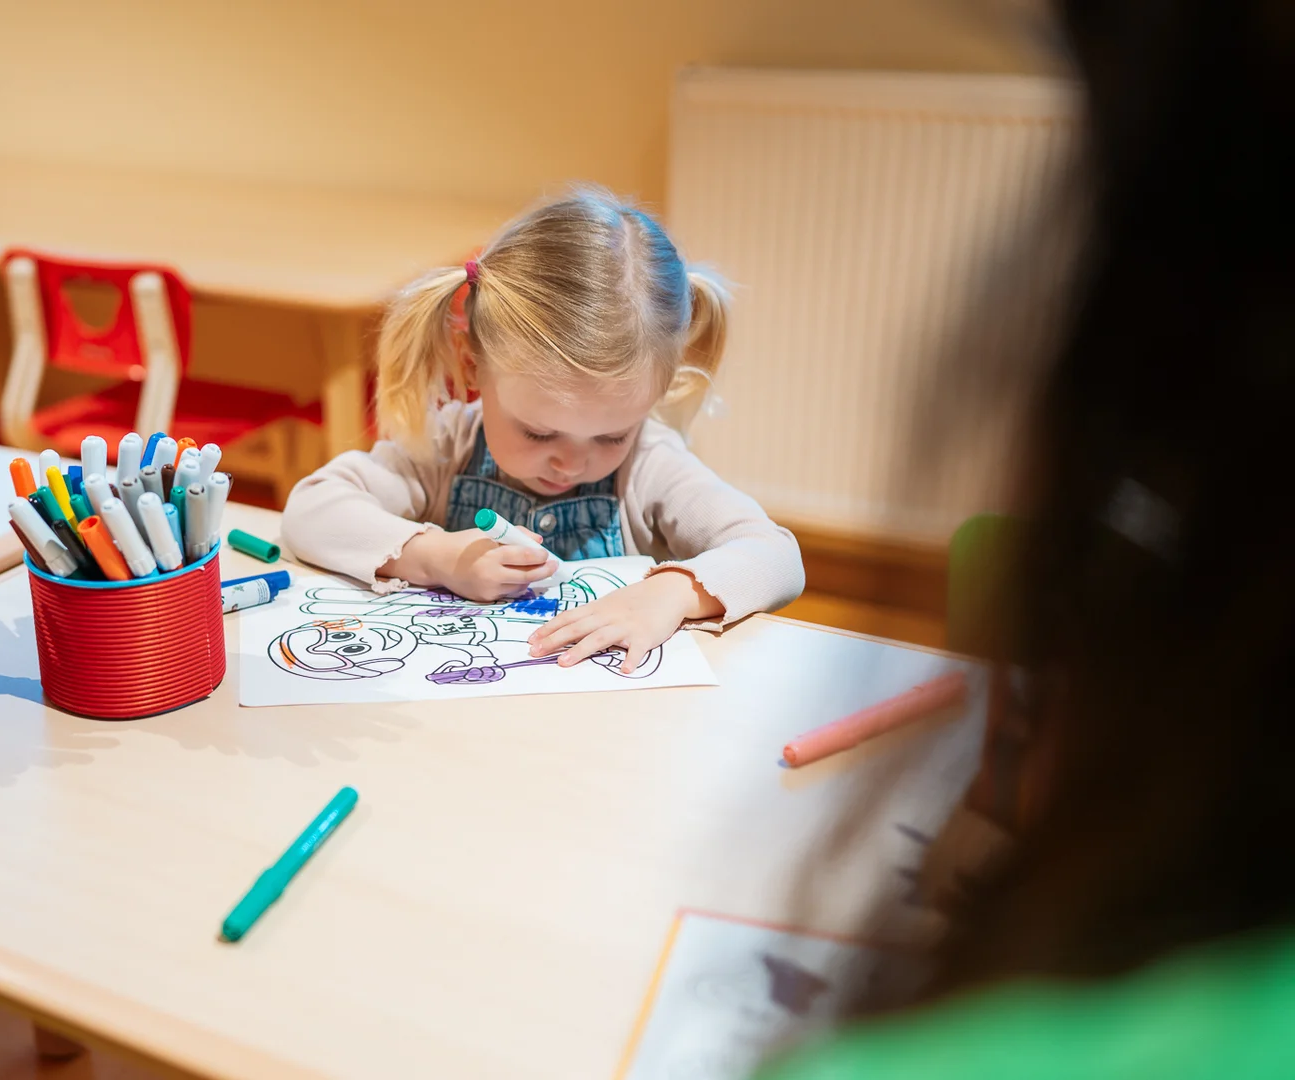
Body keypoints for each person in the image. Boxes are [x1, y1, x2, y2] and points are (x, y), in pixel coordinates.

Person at [758, 0, 1294, 1075]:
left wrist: (675, 586)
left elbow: (761, 551)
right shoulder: (434, 448)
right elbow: (334, 500)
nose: (562, 457)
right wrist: (426, 551)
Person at [281, 188, 803, 673]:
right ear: (472, 369)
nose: (572, 464)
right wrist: (436, 557)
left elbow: (775, 556)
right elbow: (311, 510)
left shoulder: (652, 466)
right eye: (537, 433)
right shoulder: (445, 447)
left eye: (611, 436)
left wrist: (669, 593)